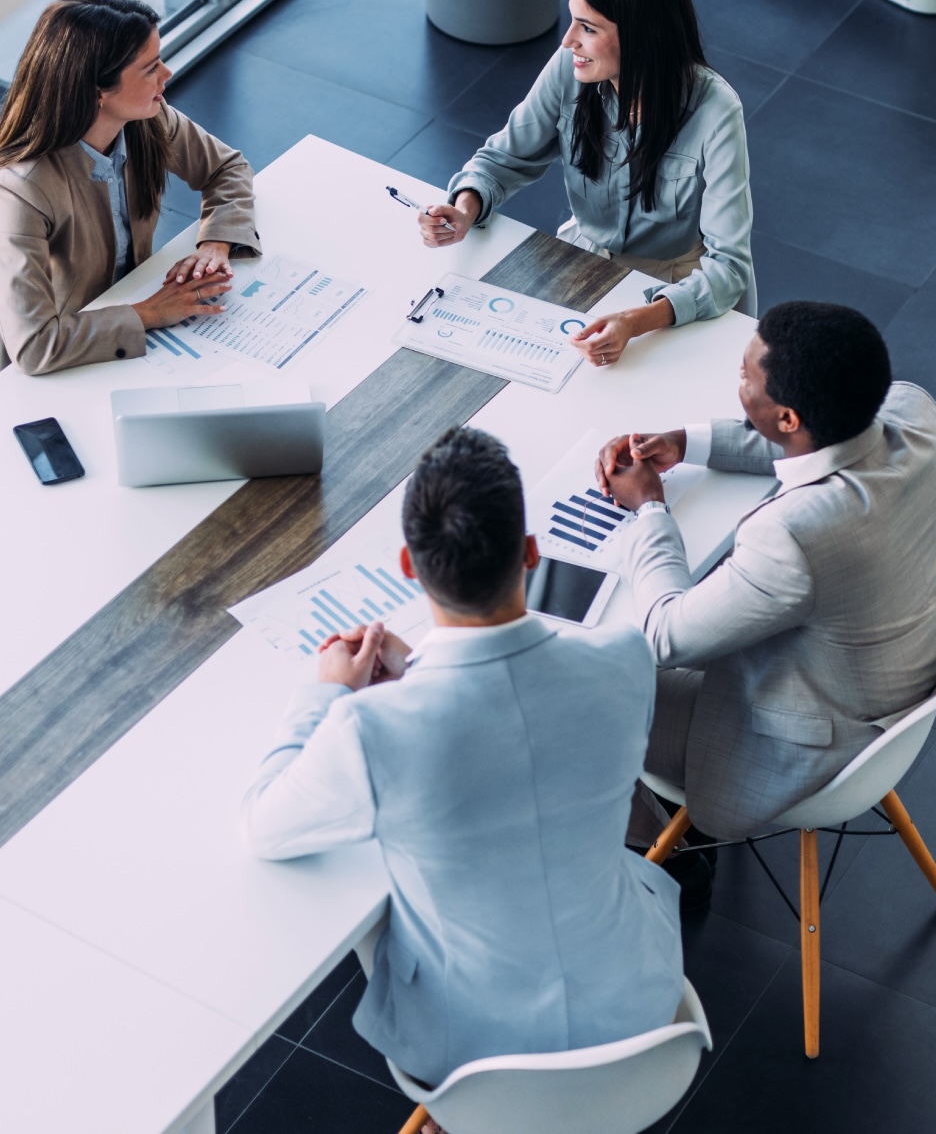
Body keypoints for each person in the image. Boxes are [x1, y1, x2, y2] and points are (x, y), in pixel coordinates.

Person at [242, 426, 683, 1091]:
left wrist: (326, 690)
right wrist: (417, 674)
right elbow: (519, 725)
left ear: (409, 566)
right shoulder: (625, 658)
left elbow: (263, 825)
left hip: (475, 1061)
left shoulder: (368, 729)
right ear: (531, 553)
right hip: (640, 1013)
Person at [596, 301, 936, 847]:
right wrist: (687, 442)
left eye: (746, 377)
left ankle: (652, 839)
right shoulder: (913, 412)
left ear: (787, 417)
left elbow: (663, 636)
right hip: (902, 675)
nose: (737, 381)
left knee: (583, 682)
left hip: (808, 740)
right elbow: (819, 441)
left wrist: (649, 507)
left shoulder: (796, 535)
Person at [418, 0, 754, 367]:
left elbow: (729, 268)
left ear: (640, 34)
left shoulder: (716, 111)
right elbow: (502, 159)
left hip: (677, 289)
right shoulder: (570, 67)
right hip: (583, 261)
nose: (568, 40)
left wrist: (636, 320)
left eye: (588, 27)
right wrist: (464, 209)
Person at [0, 0, 261, 401]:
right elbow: (35, 346)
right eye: (150, 68)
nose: (167, 73)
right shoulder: (19, 188)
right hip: (22, 371)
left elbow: (227, 169)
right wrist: (151, 312)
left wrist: (215, 244)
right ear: (98, 90)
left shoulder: (146, 117)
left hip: (113, 310)